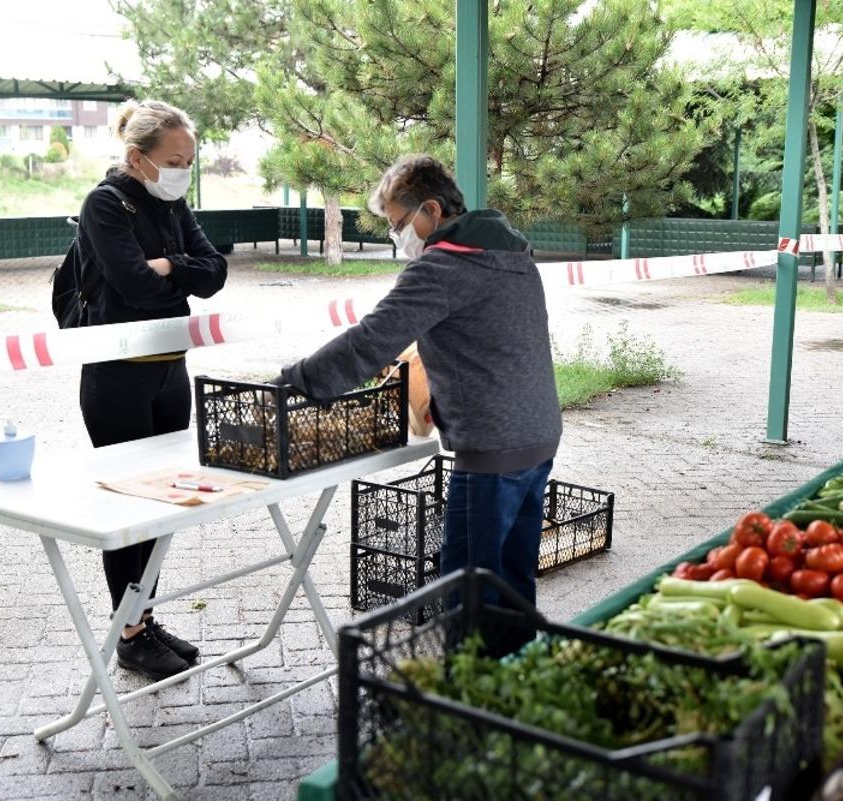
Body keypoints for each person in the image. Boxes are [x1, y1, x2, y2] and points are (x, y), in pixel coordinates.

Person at [276, 155, 562, 632]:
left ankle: (464, 698)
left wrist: (298, 379)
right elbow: (483, 339)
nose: (397, 236)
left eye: (399, 223)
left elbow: (371, 340)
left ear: (431, 210)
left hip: (492, 447)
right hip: (537, 436)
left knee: (467, 591)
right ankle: (512, 684)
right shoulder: (511, 254)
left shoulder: (443, 268)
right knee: (512, 583)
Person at [77, 99, 227, 680]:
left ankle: (142, 616)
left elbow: (214, 273)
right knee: (129, 506)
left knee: (163, 501)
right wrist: (171, 268)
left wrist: (168, 264)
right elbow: (135, 286)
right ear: (137, 158)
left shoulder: (173, 202)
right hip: (116, 375)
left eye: (189, 160)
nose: (182, 170)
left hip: (170, 368)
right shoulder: (104, 204)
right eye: (173, 160)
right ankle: (130, 633)